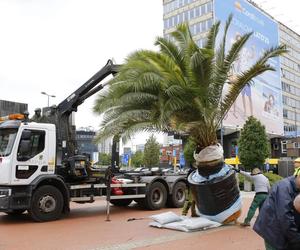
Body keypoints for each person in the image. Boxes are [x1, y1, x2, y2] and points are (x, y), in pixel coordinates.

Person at [253, 172, 300, 250]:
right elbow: (285, 218)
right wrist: (297, 240)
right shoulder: (284, 187)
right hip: (273, 231)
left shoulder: (296, 188)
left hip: (284, 230)